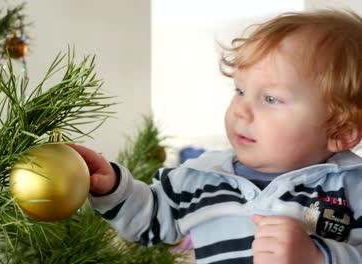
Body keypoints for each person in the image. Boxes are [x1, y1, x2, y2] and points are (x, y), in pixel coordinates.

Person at [70, 10, 362, 264]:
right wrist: (113, 189)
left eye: (271, 99)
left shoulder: (352, 187)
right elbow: (148, 219)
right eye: (240, 91)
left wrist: (319, 257)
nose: (241, 112)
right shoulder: (202, 178)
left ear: (340, 131)